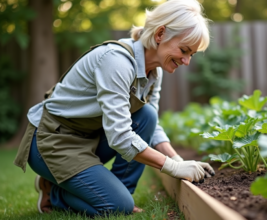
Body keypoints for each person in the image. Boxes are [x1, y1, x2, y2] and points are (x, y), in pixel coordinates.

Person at [14, 0, 215, 216]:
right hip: (53, 141)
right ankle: (53, 191)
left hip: (89, 137)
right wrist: (171, 167)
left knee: (145, 115)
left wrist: (178, 160)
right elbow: (119, 136)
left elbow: (150, 125)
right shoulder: (116, 62)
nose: (186, 61)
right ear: (160, 34)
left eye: (191, 55)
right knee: (117, 206)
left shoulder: (154, 72)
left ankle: (116, 197)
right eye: (184, 50)